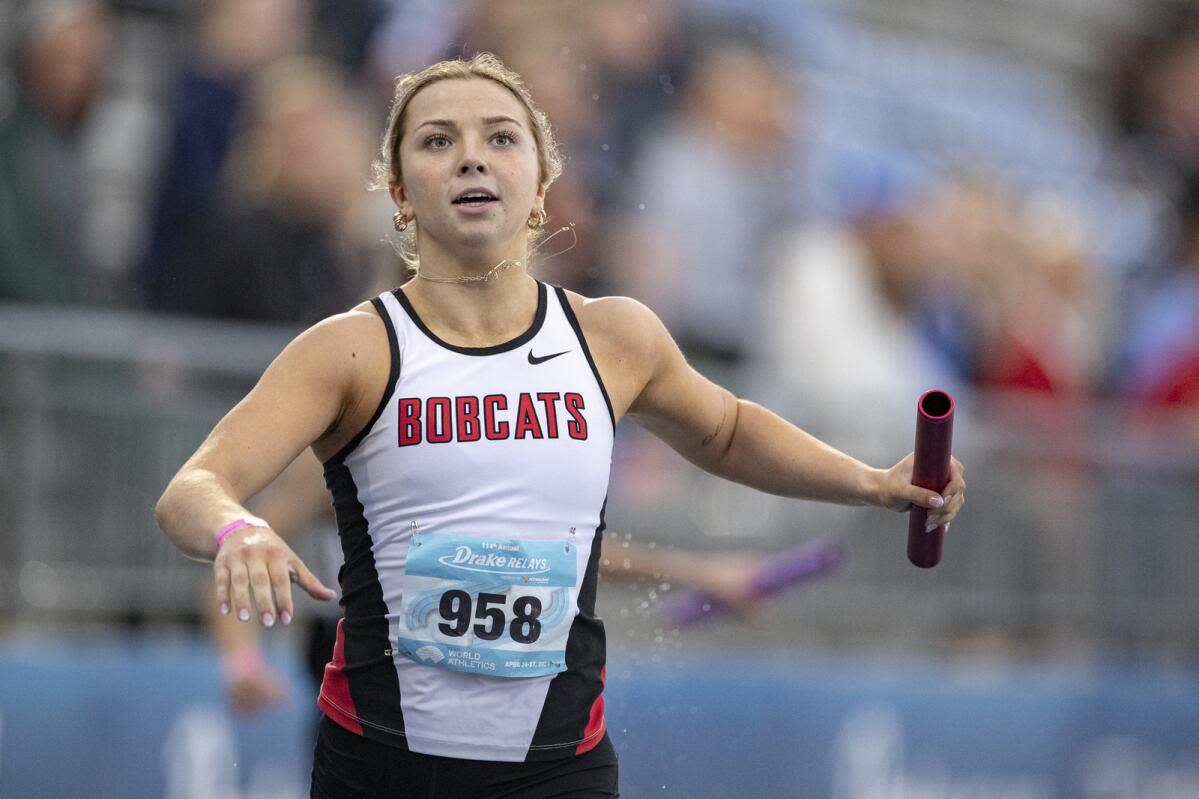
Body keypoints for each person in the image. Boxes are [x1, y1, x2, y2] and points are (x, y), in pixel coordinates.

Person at [156, 53, 965, 799]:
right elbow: (193, 486)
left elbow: (725, 430)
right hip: (382, 762)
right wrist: (237, 530)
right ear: (399, 193)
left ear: (539, 186)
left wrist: (872, 481)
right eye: (437, 141)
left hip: (559, 768)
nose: (471, 155)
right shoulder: (351, 350)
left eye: (500, 137)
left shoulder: (615, 339)